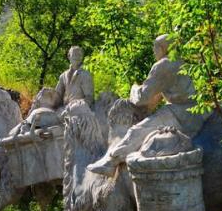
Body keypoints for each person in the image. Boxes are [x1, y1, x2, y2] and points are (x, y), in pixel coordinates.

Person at [87, 34, 209, 176]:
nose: (153, 51)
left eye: (155, 47)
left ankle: (111, 162)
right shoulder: (181, 62)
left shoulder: (163, 65)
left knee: (137, 130)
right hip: (195, 112)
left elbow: (142, 98)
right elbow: (160, 93)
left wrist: (133, 89)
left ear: (163, 48)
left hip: (180, 113)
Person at [54, 45, 94, 110]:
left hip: (80, 110)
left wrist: (77, 106)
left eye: (79, 54)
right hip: (64, 109)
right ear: (69, 56)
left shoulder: (86, 75)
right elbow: (57, 95)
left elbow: (89, 98)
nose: (77, 57)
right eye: (74, 54)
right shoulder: (63, 75)